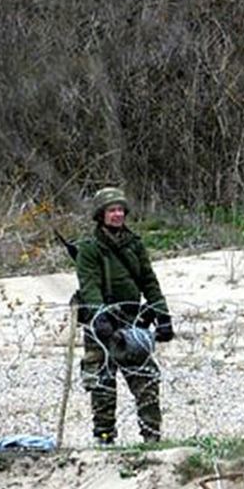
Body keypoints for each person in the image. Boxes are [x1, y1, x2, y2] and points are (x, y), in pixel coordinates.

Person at [74, 186, 174, 444]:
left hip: (131, 322)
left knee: (146, 380)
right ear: (101, 215)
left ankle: (152, 438)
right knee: (102, 385)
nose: (117, 214)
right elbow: (89, 285)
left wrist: (162, 315)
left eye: (120, 209)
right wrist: (100, 318)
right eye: (111, 210)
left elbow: (149, 281)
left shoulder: (134, 245)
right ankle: (105, 439)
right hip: (102, 325)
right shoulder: (90, 249)